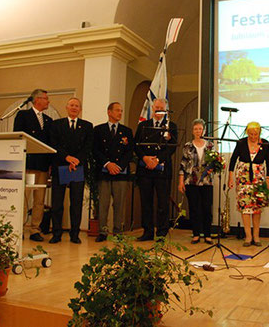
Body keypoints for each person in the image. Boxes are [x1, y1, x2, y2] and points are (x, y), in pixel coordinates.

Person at [48, 97, 93, 244]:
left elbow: (88, 147)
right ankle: (56, 234)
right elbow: (53, 144)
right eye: (71, 105)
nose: (74, 108)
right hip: (60, 166)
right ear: (66, 107)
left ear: (80, 109)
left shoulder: (87, 126)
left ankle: (75, 234)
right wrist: (67, 158)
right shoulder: (56, 125)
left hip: (77, 168)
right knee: (57, 203)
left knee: (76, 202)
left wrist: (76, 160)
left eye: (77, 106)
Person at [135, 98, 178, 241]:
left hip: (162, 170)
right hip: (145, 169)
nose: (158, 110)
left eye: (161, 108)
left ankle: (161, 233)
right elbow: (136, 145)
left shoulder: (171, 126)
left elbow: (172, 147)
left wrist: (157, 160)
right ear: (152, 108)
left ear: (165, 110)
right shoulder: (143, 126)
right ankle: (147, 232)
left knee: (162, 203)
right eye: (156, 107)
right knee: (146, 202)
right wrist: (145, 158)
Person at [13, 89, 52, 242]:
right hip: (28, 164)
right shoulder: (23, 115)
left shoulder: (48, 120)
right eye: (46, 99)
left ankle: (35, 229)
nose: (48, 102)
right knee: (24, 197)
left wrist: (49, 165)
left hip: (42, 166)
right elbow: (18, 136)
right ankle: (19, 228)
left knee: (39, 200)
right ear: (37, 100)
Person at [93, 102, 134, 242]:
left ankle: (118, 231)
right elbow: (95, 150)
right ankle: (102, 232)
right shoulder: (98, 130)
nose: (120, 113)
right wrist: (108, 164)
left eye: (121, 111)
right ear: (109, 112)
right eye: (117, 110)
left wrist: (119, 166)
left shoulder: (127, 131)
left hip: (120, 173)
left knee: (119, 204)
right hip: (104, 172)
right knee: (103, 203)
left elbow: (129, 152)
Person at [227, 122, 269, 247]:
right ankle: (248, 236)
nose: (253, 136)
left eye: (255, 134)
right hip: (243, 177)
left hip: (259, 177)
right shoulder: (241, 142)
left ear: (259, 133)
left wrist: (268, 179)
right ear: (247, 133)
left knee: (257, 207)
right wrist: (230, 177)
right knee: (245, 207)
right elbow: (233, 160)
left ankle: (256, 236)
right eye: (251, 134)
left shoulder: (265, 143)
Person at [178, 119, 215, 245]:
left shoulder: (210, 145)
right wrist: (181, 182)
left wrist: (212, 169)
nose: (198, 131)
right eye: (195, 129)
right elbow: (183, 165)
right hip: (191, 181)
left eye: (200, 129)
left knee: (206, 208)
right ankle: (196, 234)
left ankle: (207, 234)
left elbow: (215, 162)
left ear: (203, 130)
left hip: (206, 182)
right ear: (192, 131)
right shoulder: (188, 146)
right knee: (194, 208)